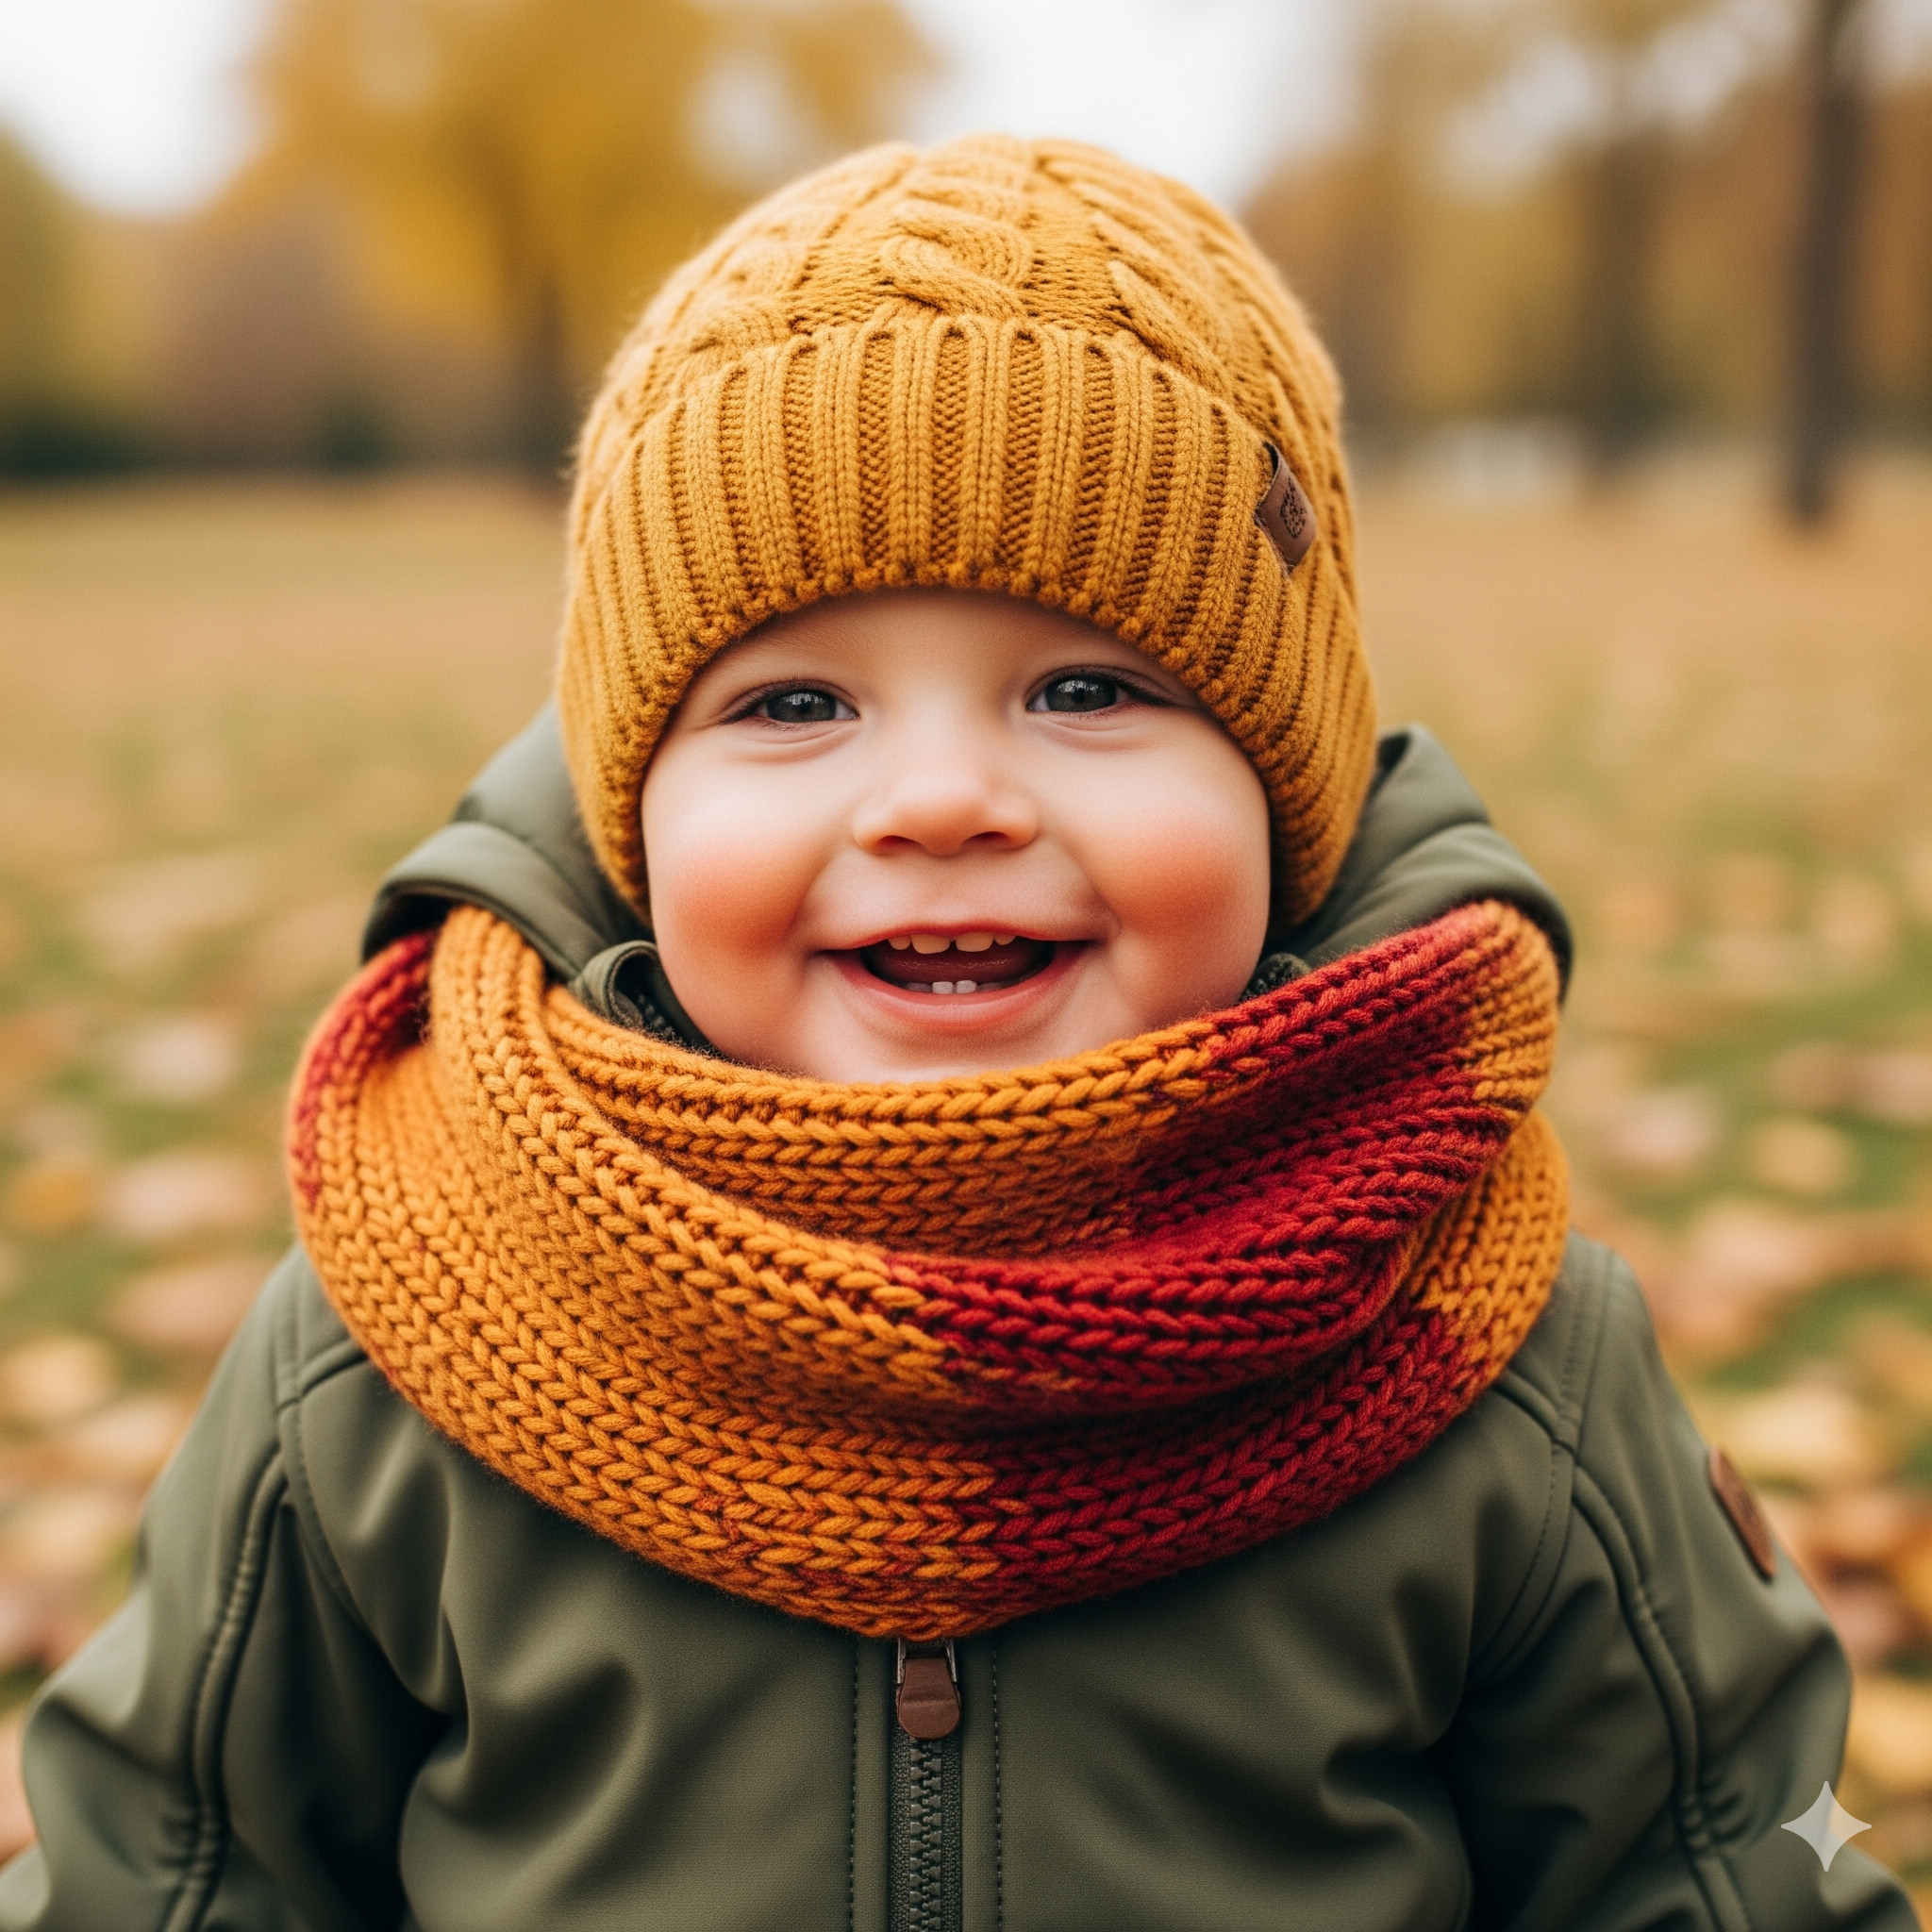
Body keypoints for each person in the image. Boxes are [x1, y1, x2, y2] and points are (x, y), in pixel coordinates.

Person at [0, 135, 1913, 1932]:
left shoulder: (1482, 1340)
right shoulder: (405, 1326)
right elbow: (167, 1872)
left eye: (1084, 687)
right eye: (792, 705)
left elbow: (1722, 1864)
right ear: (627, 813)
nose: (937, 800)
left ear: (1286, 796)